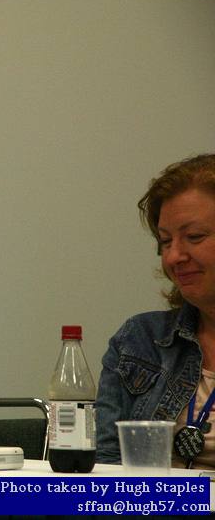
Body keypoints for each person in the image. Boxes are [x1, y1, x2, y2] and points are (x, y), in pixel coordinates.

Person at [96, 153, 215, 468]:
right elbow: (107, 466)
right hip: (151, 506)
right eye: (165, 241)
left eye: (194, 237)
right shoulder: (140, 341)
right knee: (17, 495)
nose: (174, 256)